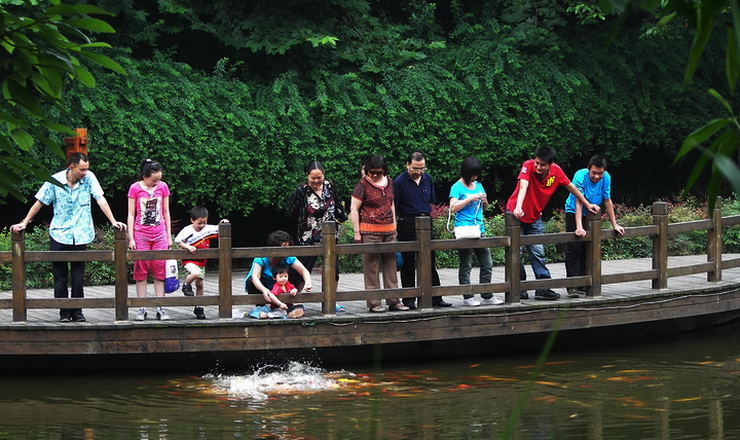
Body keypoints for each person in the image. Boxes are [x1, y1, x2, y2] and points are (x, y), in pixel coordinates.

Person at [10, 153, 126, 322]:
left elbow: (100, 199)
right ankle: (64, 312)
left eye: (86, 169)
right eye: (82, 169)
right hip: (59, 232)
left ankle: (77, 311)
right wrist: (25, 222)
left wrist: (113, 221)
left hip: (81, 233)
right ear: (72, 167)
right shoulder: (55, 180)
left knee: (78, 276)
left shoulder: (89, 178)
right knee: (60, 275)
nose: (85, 172)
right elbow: (40, 202)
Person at [506, 146, 600, 300]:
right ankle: (519, 287)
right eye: (537, 163)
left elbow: (572, 187)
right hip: (516, 215)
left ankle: (542, 288)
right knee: (516, 253)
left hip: (534, 216)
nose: (538, 167)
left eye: (542, 165)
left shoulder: (556, 171)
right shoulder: (528, 166)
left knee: (538, 252)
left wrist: (587, 204)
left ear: (550, 164)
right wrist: (518, 207)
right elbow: (523, 186)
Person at [351, 154, 409, 313]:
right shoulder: (362, 185)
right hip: (369, 231)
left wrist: (394, 224)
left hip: (389, 231)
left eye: (379, 172)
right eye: (372, 172)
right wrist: (357, 232)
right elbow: (354, 209)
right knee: (371, 268)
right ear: (367, 170)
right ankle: (374, 303)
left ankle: (394, 301)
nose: (375, 175)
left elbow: (391, 203)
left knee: (391, 266)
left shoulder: (390, 182)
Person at [394, 150, 451, 309]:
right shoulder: (399, 181)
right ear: (407, 165)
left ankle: (435, 297)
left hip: (426, 220)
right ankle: (409, 299)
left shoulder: (428, 179)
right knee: (408, 262)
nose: (418, 172)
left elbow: (431, 201)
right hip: (407, 221)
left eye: (421, 168)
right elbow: (396, 206)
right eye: (415, 168)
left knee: (429, 260)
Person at [564, 155, 625, 297]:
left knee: (588, 249)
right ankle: (572, 285)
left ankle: (583, 283)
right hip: (574, 211)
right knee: (574, 248)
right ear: (588, 169)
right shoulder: (580, 176)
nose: (597, 176)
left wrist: (614, 224)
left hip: (593, 214)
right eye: (594, 173)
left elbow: (607, 200)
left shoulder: (606, 177)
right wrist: (579, 227)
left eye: (600, 173)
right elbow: (578, 201)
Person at [449, 157, 503, 307]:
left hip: (479, 230)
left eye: (477, 175)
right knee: (466, 264)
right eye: (472, 175)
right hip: (464, 230)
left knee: (487, 263)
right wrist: (469, 198)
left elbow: (484, 208)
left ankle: (486, 294)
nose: (475, 178)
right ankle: (468, 296)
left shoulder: (479, 185)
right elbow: (453, 207)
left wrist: (484, 201)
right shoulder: (457, 187)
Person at [127, 159, 172, 321]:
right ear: (145, 177)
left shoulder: (163, 187)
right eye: (154, 180)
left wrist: (168, 235)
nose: (157, 182)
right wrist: (131, 237)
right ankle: (141, 307)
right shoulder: (135, 188)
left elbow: (166, 212)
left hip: (159, 233)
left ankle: (161, 307)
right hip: (141, 234)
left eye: (159, 179)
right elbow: (131, 214)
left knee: (160, 270)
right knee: (141, 271)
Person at [289, 160, 345, 287]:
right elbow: (292, 213)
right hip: (308, 236)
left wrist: (340, 219)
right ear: (307, 175)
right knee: (302, 269)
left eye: (319, 177)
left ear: (324, 175)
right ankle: (295, 301)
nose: (316, 181)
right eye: (312, 178)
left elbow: (338, 203)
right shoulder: (302, 190)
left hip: (330, 235)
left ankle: (331, 303)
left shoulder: (329, 186)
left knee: (332, 270)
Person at [174, 206, 229, 319]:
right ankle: (185, 285)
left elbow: (219, 229)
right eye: (199, 223)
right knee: (194, 273)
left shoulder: (207, 229)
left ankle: (199, 307)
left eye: (204, 222)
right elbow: (178, 240)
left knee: (200, 285)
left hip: (202, 261)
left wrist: (224, 223)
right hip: (189, 260)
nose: (202, 225)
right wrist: (188, 247)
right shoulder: (187, 230)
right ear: (192, 220)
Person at [245, 230, 313, 305]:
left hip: (281, 285)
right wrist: (264, 289)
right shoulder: (261, 258)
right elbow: (255, 277)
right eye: (283, 248)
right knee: (251, 281)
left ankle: (292, 299)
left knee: (296, 272)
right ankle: (260, 306)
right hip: (263, 286)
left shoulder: (288, 257)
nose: (285, 251)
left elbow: (303, 271)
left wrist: (308, 281)